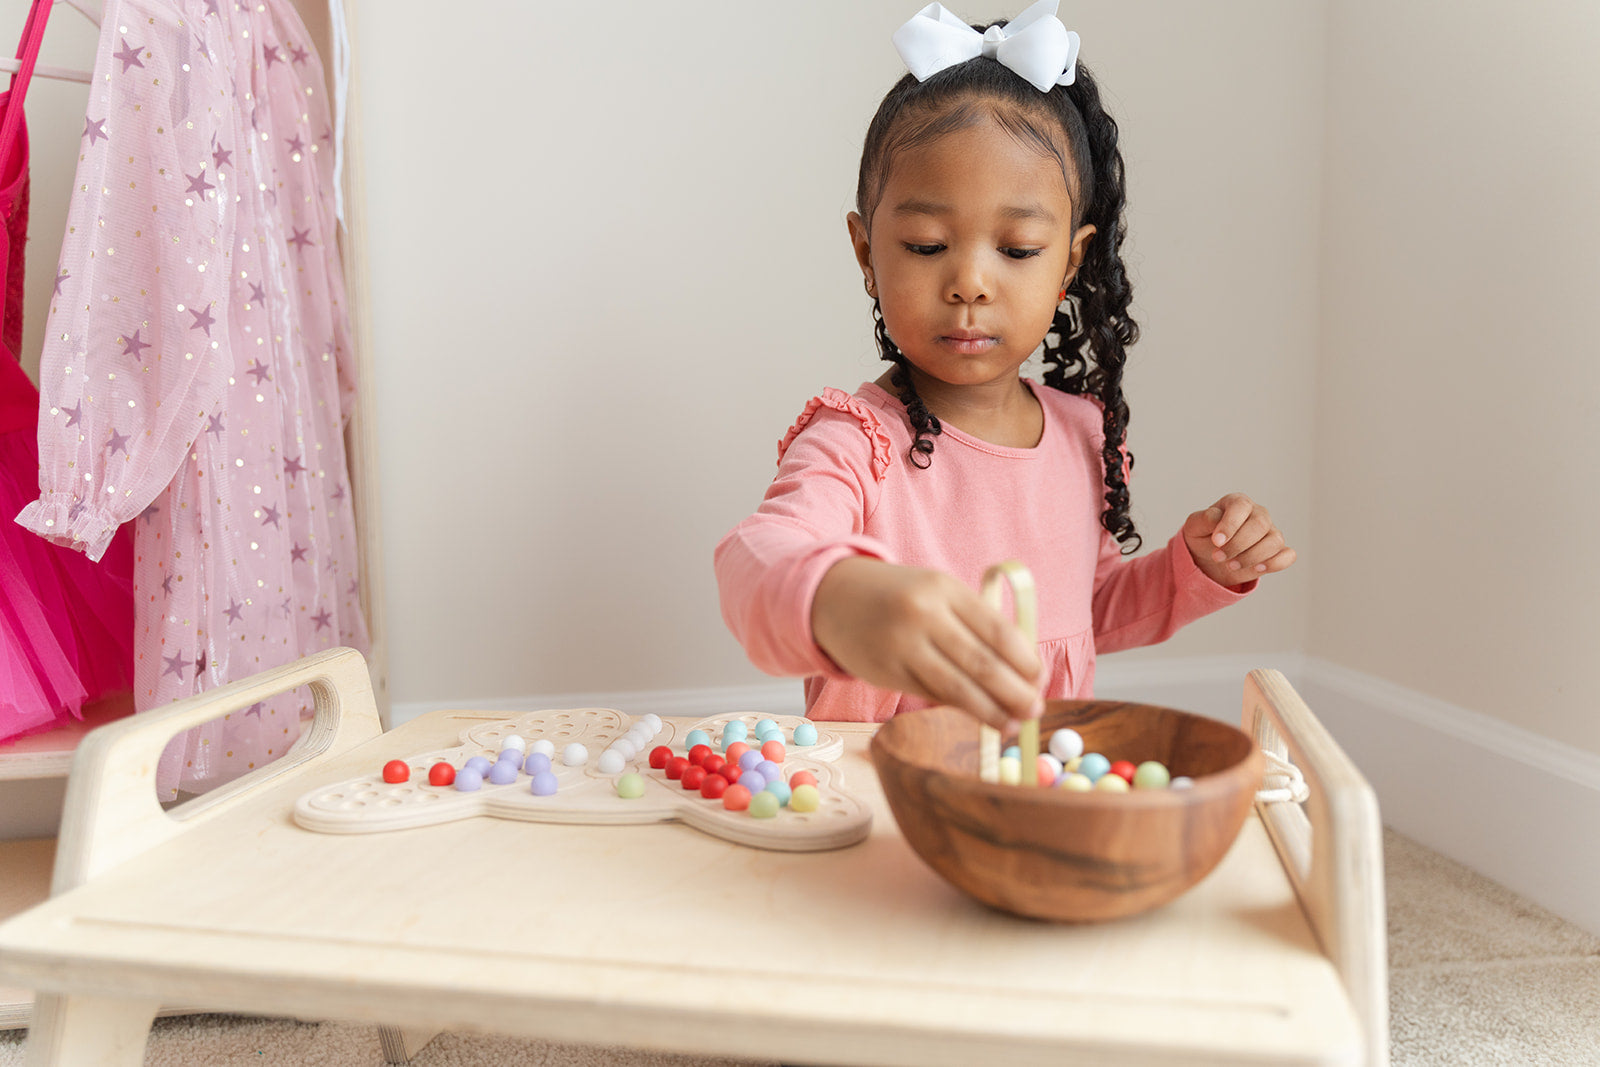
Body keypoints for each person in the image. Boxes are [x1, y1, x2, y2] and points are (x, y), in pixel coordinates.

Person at [715, 1, 1294, 734]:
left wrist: (1195, 566)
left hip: (1037, 785)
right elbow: (754, 560)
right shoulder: (854, 441)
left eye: (1017, 250)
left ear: (1069, 263)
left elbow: (1082, 616)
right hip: (883, 794)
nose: (971, 283)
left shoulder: (1084, 435)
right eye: (926, 245)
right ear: (867, 253)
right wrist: (841, 595)